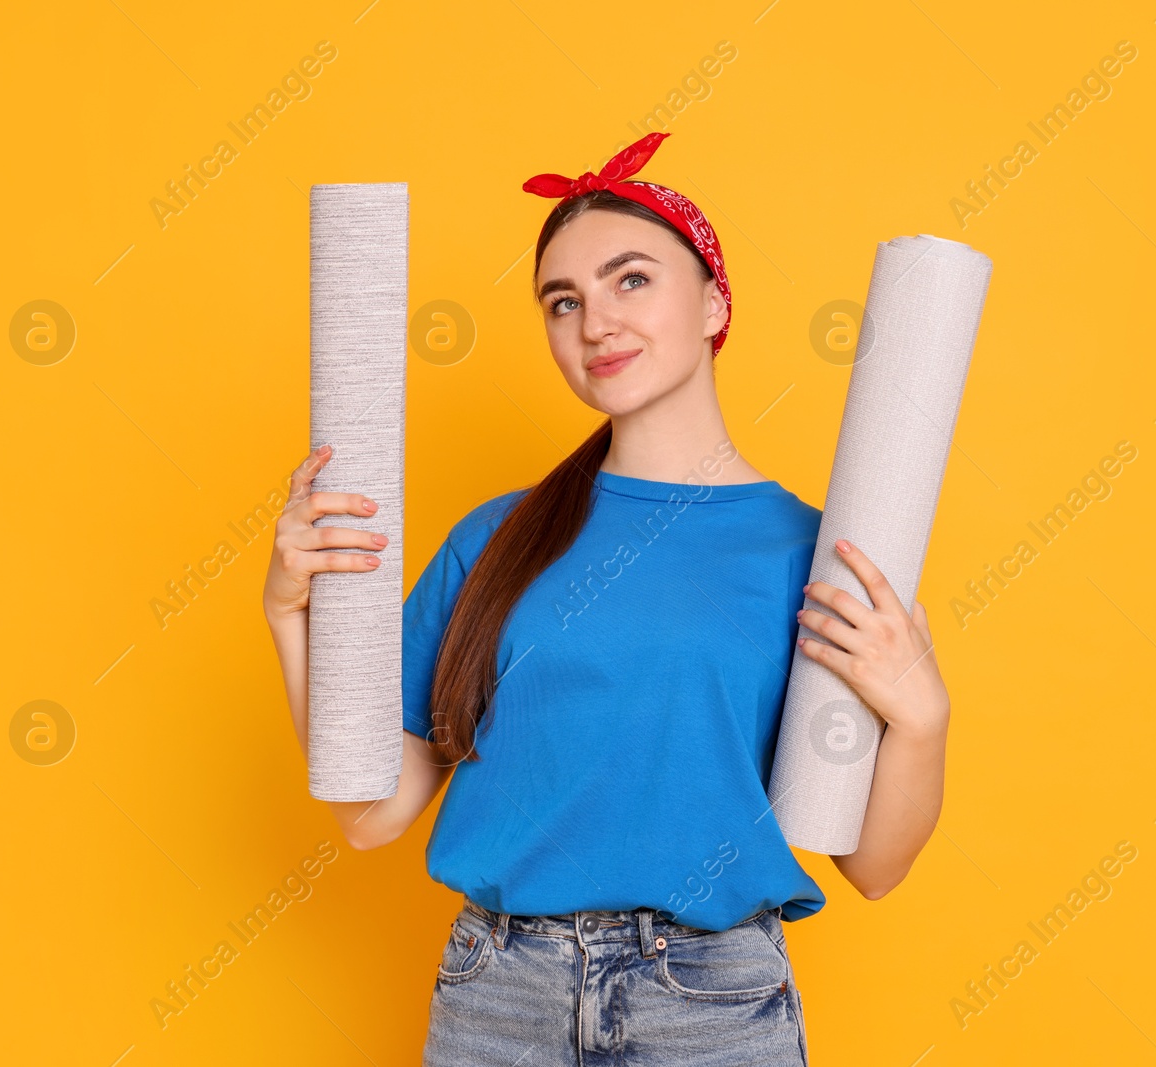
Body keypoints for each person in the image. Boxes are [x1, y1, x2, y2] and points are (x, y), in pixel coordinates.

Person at [262, 132, 952, 1066]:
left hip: (710, 1002)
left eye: (631, 280)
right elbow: (369, 813)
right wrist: (290, 617)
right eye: (563, 301)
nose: (595, 322)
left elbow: (873, 866)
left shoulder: (814, 551)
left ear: (713, 300)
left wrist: (922, 720)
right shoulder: (497, 538)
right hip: (498, 996)